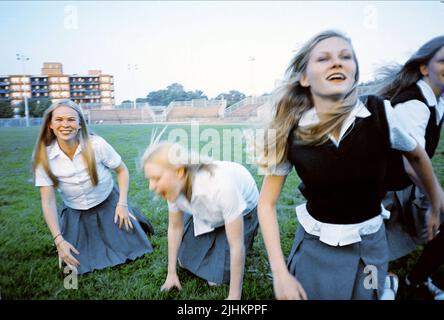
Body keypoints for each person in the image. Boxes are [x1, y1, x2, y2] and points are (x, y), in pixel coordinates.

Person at [256, 30, 443, 300]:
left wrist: (436, 197)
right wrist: (280, 273)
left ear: (354, 73)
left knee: (368, 294)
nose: (337, 62)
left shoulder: (381, 113)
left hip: (369, 245)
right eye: (323, 58)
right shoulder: (289, 130)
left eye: (346, 57)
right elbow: (266, 204)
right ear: (305, 78)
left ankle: (385, 288)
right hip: (315, 247)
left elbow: (416, 154)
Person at [32, 99, 153, 274]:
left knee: (136, 247)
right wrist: (59, 240)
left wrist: (122, 203)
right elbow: (48, 202)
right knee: (74, 265)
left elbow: (122, 171)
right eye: (59, 120)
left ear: (80, 124)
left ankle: (129, 219)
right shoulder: (44, 156)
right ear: (50, 124)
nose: (65, 124)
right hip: (76, 212)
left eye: (71, 120)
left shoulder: (96, 144)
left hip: (108, 202)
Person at [142, 141, 259, 300]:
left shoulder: (221, 187)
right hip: (208, 210)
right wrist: (171, 273)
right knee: (183, 261)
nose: (151, 186)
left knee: (215, 281)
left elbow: (236, 246)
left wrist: (234, 296)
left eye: (156, 178)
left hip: (243, 211)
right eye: (150, 179)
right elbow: (175, 228)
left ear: (179, 172)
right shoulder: (172, 188)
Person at [378, 35, 444, 299]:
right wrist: (435, 199)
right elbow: (411, 164)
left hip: (406, 185)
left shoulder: (437, 100)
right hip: (385, 189)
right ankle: (388, 283)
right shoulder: (414, 103)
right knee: (370, 253)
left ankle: (416, 280)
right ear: (424, 68)